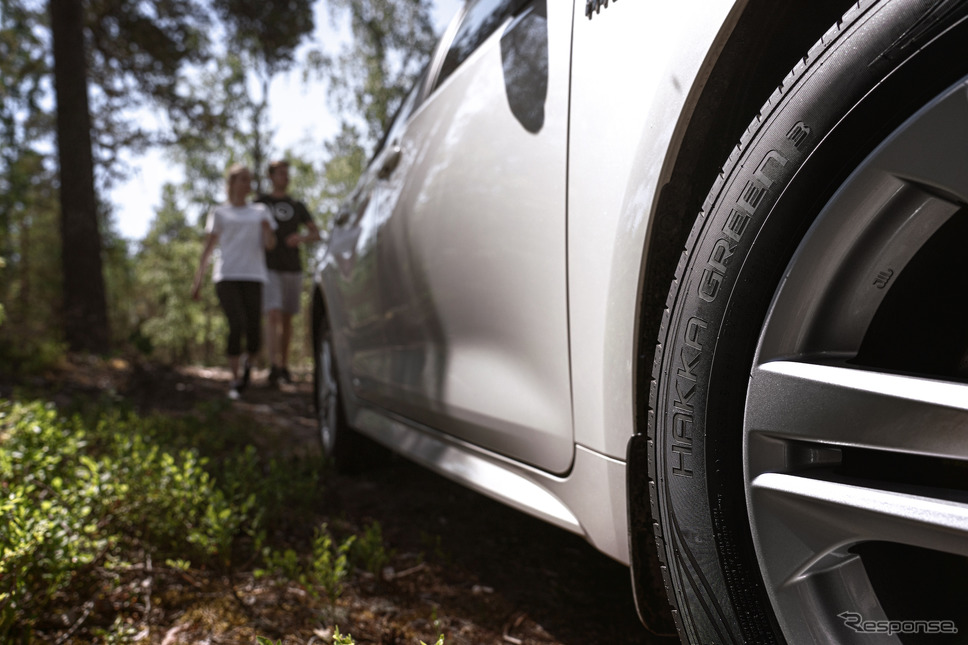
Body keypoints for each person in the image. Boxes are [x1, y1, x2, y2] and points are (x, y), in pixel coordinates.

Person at [191, 164, 277, 400]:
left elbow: (270, 245)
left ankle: (248, 367)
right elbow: (208, 248)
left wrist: (268, 231)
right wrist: (198, 281)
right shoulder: (219, 212)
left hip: (254, 275)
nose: (248, 184)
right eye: (243, 179)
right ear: (231, 184)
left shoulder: (260, 211)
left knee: (253, 329)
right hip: (227, 275)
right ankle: (235, 377)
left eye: (250, 180)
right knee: (236, 323)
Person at [256, 160, 321, 387]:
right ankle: (273, 366)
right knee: (272, 313)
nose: (285, 177)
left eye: (287, 173)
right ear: (271, 176)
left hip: (293, 267)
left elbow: (316, 233)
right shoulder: (261, 203)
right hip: (268, 267)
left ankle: (284, 366)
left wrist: (300, 238)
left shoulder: (297, 205)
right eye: (281, 173)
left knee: (286, 317)